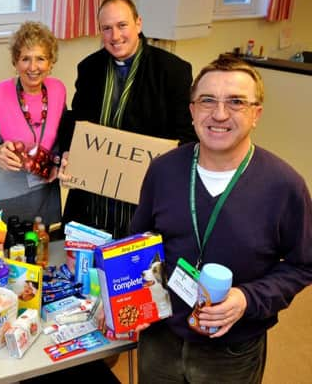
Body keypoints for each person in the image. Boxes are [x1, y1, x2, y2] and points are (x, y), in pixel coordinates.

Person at [130, 56, 312, 384]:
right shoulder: (163, 170)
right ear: (191, 110)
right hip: (160, 339)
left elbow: (303, 265)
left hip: (233, 351)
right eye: (207, 100)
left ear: (257, 113)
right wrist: (126, 296)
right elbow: (138, 242)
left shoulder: (285, 186)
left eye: (236, 102)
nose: (219, 114)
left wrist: (247, 299)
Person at [57, 0, 196, 239]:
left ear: (138, 24)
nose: (115, 36)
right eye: (107, 28)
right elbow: (77, 120)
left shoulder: (172, 70)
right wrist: (70, 152)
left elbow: (187, 135)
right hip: (93, 197)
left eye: (122, 25)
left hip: (145, 196)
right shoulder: (89, 68)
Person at [0, 21, 66, 226]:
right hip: (8, 201)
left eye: (41, 59)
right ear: (15, 62)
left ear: (51, 63)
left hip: (48, 198)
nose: (33, 67)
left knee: (48, 255)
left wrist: (56, 162)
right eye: (25, 59)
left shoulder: (58, 90)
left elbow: (63, 141)